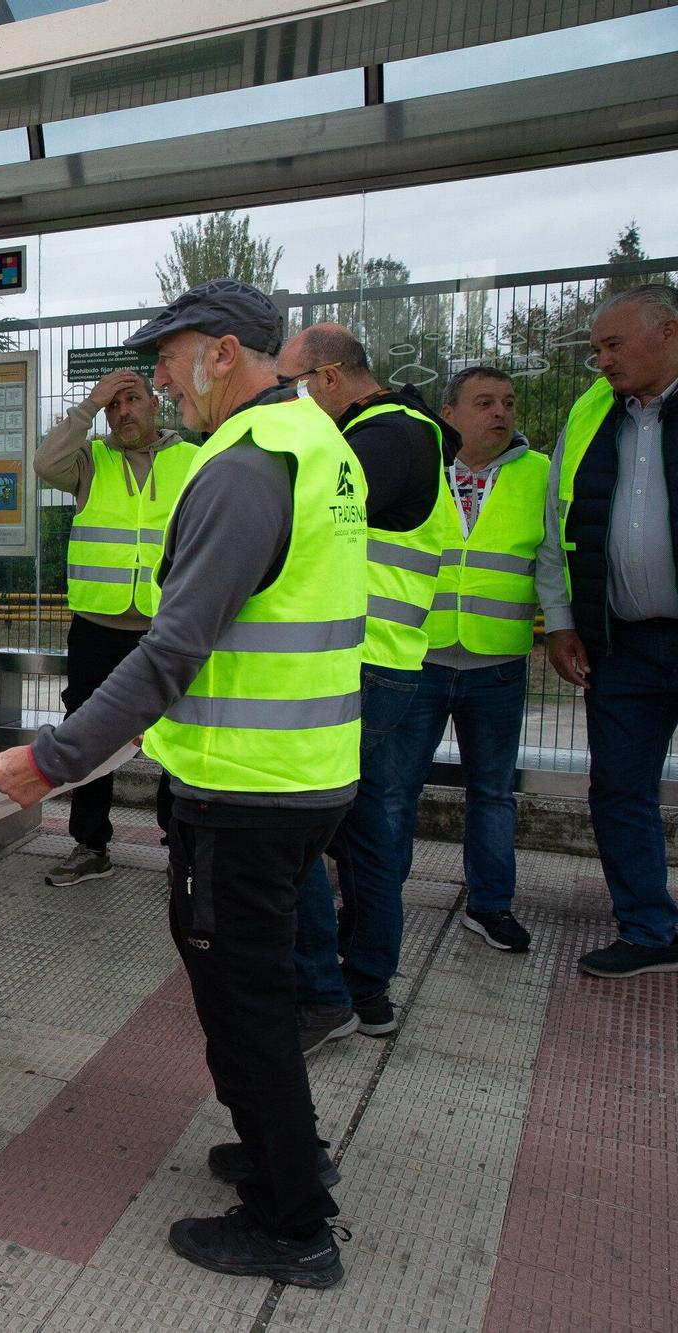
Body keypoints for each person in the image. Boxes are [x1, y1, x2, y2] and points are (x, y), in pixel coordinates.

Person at [0, 279, 360, 1288]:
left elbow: (167, 653)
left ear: (225, 353)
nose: (156, 376)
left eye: (168, 354)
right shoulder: (313, 443)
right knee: (257, 981)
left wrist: (49, 761)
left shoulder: (243, 469)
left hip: (244, 785)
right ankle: (281, 1147)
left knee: (240, 998)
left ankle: (291, 1222)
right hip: (301, 771)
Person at [275, 323, 459, 1052]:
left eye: (289, 385)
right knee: (363, 832)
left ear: (325, 377)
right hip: (380, 660)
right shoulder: (405, 431)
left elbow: (310, 523)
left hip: (357, 662)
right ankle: (367, 988)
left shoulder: (383, 435)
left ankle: (324, 993)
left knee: (302, 828)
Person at [539, 283, 678, 978]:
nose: (600, 361)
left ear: (670, 332)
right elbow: (555, 523)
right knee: (619, 788)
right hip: (619, 643)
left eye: (613, 345)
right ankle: (650, 930)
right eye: (596, 347)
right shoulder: (594, 413)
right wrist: (563, 622)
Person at [385, 366, 545, 955]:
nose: (499, 413)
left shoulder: (538, 473)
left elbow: (549, 561)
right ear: (448, 414)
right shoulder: (420, 468)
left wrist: (564, 629)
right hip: (418, 657)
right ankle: (380, 896)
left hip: (496, 663)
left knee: (494, 793)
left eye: (507, 402)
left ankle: (490, 905)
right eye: (483, 402)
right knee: (397, 789)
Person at [35, 367, 193, 883]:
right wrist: (87, 406)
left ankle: (182, 845)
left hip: (167, 625)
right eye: (112, 405)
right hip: (97, 626)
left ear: (155, 404)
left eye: (132, 400)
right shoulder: (90, 461)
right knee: (89, 732)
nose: (122, 412)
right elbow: (43, 462)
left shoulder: (193, 460)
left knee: (179, 734)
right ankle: (90, 845)